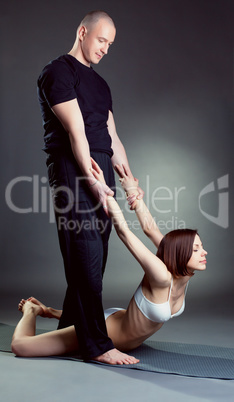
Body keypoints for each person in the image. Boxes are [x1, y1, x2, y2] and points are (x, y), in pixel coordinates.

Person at [11, 160, 207, 361]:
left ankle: (52, 312)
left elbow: (151, 229)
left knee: (79, 320)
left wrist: (131, 191)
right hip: (106, 332)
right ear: (181, 253)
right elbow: (123, 231)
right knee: (21, 347)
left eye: (201, 247)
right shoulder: (161, 275)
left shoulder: (182, 270)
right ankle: (32, 310)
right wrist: (107, 193)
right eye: (196, 249)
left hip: (121, 320)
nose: (204, 252)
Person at [37, 10, 142, 364]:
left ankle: (69, 330)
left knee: (96, 257)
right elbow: (76, 131)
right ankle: (96, 346)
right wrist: (91, 179)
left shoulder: (101, 85)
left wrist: (128, 181)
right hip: (72, 166)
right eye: (101, 40)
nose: (105, 49)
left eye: (110, 44)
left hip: (100, 167)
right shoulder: (57, 72)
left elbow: (110, 135)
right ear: (82, 32)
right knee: (85, 254)